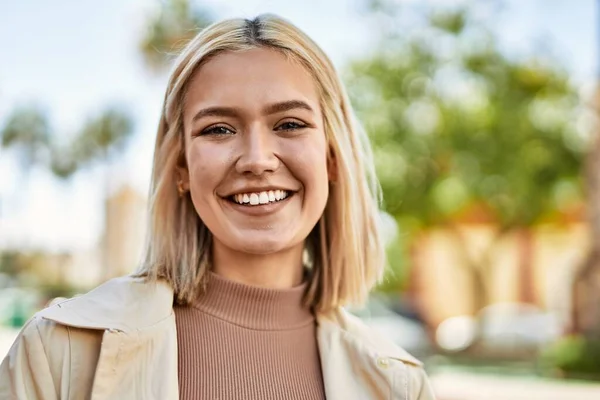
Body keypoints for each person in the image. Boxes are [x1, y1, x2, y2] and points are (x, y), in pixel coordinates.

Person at [0, 14, 436, 400]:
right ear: (181, 168)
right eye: (219, 129)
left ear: (332, 158)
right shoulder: (58, 352)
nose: (257, 160)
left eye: (289, 124)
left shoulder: (399, 386)